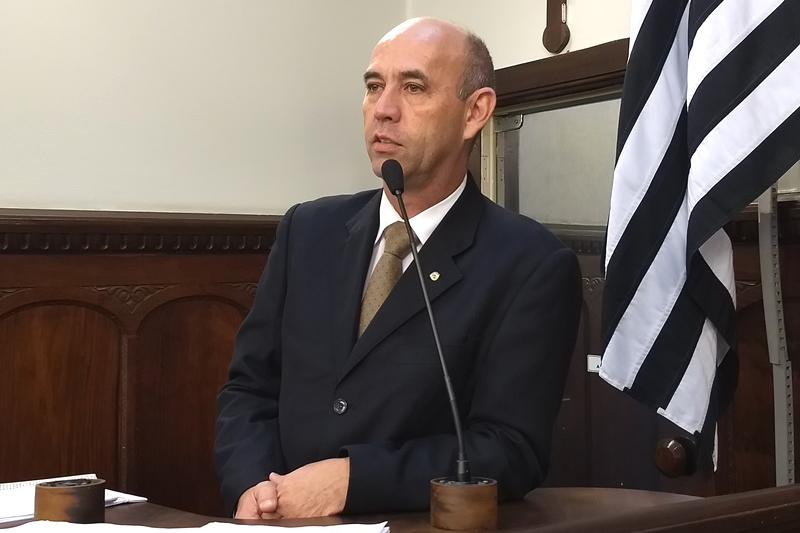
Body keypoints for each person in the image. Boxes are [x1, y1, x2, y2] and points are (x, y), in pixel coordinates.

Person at [214, 17, 581, 519]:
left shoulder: (531, 263)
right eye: (373, 86)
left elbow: (510, 448)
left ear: (475, 111)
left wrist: (352, 481)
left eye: (413, 87)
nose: (383, 109)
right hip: (274, 517)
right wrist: (255, 488)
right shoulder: (308, 229)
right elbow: (249, 389)